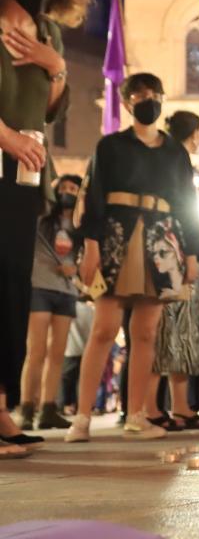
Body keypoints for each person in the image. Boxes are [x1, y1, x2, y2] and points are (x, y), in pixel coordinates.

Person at [67, 73, 199, 442]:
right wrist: (91, 245)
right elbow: (93, 194)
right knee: (104, 328)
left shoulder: (175, 152)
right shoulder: (110, 146)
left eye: (154, 94)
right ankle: (81, 418)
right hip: (115, 234)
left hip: (163, 238)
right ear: (127, 103)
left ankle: (137, 414)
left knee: (146, 332)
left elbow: (187, 202)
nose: (148, 100)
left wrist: (193, 251)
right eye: (139, 94)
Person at [0, 0, 89, 457]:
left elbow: (54, 110)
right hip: (6, 152)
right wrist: (7, 136)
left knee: (11, 289)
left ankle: (3, 408)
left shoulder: (49, 33)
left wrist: (54, 68)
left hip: (26, 176)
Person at [149, 110, 199, 431]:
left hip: (163, 247)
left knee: (173, 329)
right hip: (175, 250)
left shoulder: (164, 156)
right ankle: (152, 407)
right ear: (194, 133)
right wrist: (193, 252)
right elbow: (185, 208)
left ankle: (178, 406)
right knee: (167, 328)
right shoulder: (177, 159)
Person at [18, 174, 82, 430]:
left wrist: (74, 269)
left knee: (57, 353)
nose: (68, 191)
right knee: (36, 351)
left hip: (66, 292)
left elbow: (84, 260)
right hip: (40, 288)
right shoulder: (42, 218)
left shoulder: (80, 226)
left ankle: (48, 408)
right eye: (64, 187)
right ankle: (26, 408)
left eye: (73, 188)